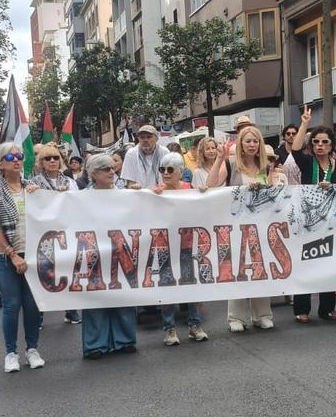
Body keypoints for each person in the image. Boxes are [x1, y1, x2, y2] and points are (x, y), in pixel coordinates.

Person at [207, 125, 277, 332]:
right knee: (237, 270)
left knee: (260, 268)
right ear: (240, 144)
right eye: (248, 141)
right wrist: (219, 159)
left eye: (255, 141)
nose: (252, 145)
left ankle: (262, 314)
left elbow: (272, 195)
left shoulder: (265, 166)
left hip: (260, 225)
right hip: (236, 226)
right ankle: (235, 317)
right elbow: (211, 184)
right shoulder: (230, 164)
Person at [0, 142, 44, 373]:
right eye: (10, 156)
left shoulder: (31, 187)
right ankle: (11, 353)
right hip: (5, 256)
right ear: (0, 163)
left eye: (19, 156)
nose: (17, 160)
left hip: (31, 254)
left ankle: (32, 349)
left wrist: (40, 197)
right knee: (11, 304)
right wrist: (11, 254)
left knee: (32, 304)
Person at [289, 107, 336, 323]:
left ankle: (327, 308)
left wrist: (332, 186)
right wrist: (304, 123)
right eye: (316, 142)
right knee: (306, 263)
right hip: (307, 221)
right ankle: (301, 308)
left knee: (329, 265)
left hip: (331, 222)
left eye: (324, 142)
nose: (320, 146)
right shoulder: (306, 162)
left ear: (332, 145)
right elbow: (295, 150)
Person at [79, 154, 139, 357]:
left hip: (120, 251)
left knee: (122, 294)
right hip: (93, 252)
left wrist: (145, 195)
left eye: (113, 168)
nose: (112, 172)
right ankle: (96, 344)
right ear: (94, 173)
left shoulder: (124, 194)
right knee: (96, 297)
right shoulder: (80, 198)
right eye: (106, 169)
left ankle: (125, 340)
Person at [152, 152, 209, 345]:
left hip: (187, 244)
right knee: (168, 287)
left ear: (181, 171)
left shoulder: (188, 188)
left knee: (191, 285)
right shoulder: (156, 191)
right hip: (163, 246)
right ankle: (169, 329)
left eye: (170, 169)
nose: (165, 173)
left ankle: (195, 325)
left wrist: (202, 193)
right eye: (162, 169)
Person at [30, 144, 81, 322]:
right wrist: (35, 194)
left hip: (66, 234)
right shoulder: (33, 183)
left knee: (67, 271)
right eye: (47, 158)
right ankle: (39, 314)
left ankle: (71, 310)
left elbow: (78, 205)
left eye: (55, 158)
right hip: (44, 236)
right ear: (41, 163)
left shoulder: (70, 182)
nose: (52, 161)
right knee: (44, 274)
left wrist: (66, 195)